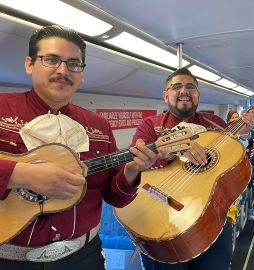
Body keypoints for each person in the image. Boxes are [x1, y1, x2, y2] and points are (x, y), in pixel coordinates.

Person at [0, 25, 165, 270]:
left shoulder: (98, 126)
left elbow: (114, 197)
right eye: (51, 59)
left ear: (82, 73)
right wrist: (20, 174)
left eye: (74, 64)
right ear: (29, 64)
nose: (63, 70)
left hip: (82, 257)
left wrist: (131, 173)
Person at [131, 67, 254, 270]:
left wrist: (244, 136)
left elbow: (236, 163)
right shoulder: (150, 125)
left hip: (211, 214)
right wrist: (170, 151)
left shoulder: (215, 124)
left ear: (198, 94)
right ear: (165, 95)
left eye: (191, 87)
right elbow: (135, 163)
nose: (184, 91)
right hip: (162, 216)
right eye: (176, 87)